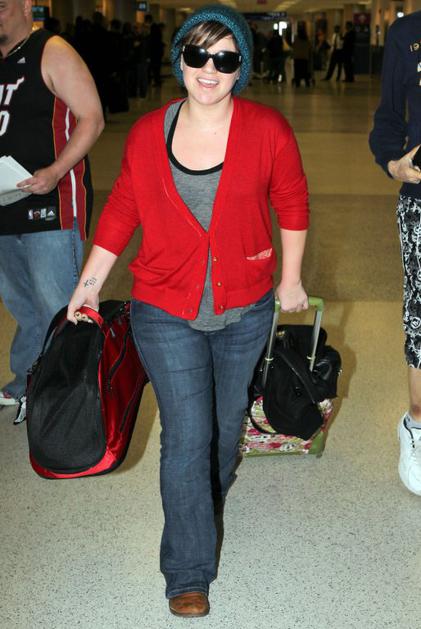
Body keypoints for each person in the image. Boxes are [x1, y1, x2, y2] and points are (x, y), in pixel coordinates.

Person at [67, 4, 309, 617]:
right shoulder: (149, 132)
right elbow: (123, 207)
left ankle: (204, 501)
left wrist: (290, 279)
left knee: (224, 432)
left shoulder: (268, 130)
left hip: (245, 307)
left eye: (225, 59)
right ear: (179, 58)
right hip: (163, 306)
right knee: (186, 436)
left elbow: (292, 202)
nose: (209, 69)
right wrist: (90, 283)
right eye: (198, 53)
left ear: (241, 68)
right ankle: (187, 573)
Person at [0, 0, 104, 418]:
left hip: (50, 204)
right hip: (4, 204)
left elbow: (92, 118)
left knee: (59, 304)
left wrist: (57, 171)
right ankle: (27, 380)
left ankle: (69, 397)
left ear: (27, 5)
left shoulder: (52, 51)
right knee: (22, 303)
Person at [369, 10, 421, 496]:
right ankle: (417, 423)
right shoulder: (408, 34)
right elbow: (388, 116)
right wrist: (393, 163)